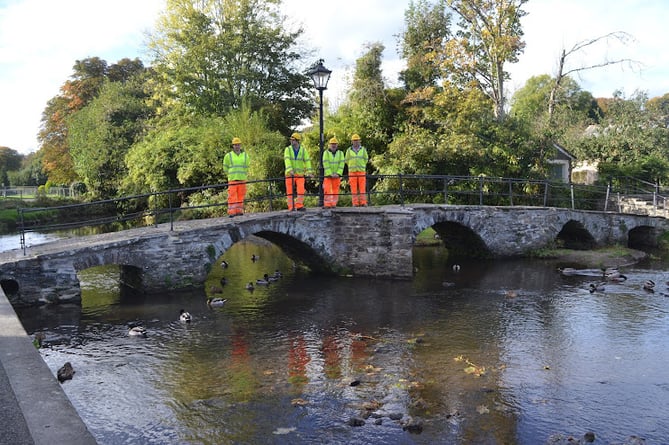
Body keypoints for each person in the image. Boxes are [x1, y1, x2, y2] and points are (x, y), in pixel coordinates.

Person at [283, 132, 312, 211]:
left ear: (298, 141)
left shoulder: (303, 150)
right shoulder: (287, 149)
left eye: (293, 140)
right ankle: (291, 207)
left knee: (301, 190)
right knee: (289, 191)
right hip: (289, 175)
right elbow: (287, 159)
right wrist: (290, 170)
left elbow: (307, 161)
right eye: (291, 140)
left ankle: (299, 206)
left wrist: (309, 171)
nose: (291, 141)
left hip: (299, 175)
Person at [223, 137, 250, 217]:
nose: (237, 146)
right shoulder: (228, 156)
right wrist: (230, 175)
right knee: (232, 196)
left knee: (241, 196)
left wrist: (244, 174)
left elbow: (247, 166)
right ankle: (232, 212)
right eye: (235, 145)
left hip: (242, 179)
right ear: (233, 146)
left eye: (238, 145)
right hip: (233, 179)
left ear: (240, 145)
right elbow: (225, 167)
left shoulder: (245, 155)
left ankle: (239, 211)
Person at [345, 134, 369, 207]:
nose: (356, 142)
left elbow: (366, 159)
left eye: (357, 140)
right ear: (352, 141)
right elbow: (346, 160)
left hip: (361, 171)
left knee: (362, 188)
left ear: (359, 141)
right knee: (353, 188)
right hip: (352, 171)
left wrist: (362, 165)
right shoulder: (348, 150)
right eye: (354, 140)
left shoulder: (363, 149)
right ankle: (355, 203)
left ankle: (363, 202)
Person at [322, 137, 344, 208]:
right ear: (329, 145)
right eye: (332, 144)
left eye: (335, 144)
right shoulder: (326, 153)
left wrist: (338, 173)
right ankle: (327, 205)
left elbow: (341, 164)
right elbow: (325, 163)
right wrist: (330, 174)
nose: (333, 145)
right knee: (327, 190)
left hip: (337, 176)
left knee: (335, 191)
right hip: (328, 176)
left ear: (337, 145)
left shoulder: (340, 153)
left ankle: (334, 204)